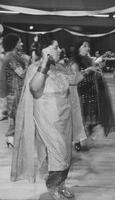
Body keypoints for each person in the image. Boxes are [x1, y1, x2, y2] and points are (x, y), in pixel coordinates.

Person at [11, 39, 86, 200]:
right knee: (57, 154)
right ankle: (53, 187)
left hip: (65, 118)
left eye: (59, 46)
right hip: (48, 119)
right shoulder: (35, 68)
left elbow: (74, 80)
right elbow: (35, 88)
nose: (59, 49)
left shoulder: (60, 67)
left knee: (66, 154)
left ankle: (61, 184)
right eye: (55, 47)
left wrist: (87, 68)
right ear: (44, 51)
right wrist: (45, 62)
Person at [70, 40, 115, 151]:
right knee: (79, 119)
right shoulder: (74, 61)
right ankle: (77, 141)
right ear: (78, 48)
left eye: (88, 46)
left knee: (92, 119)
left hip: (92, 92)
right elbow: (74, 78)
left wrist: (97, 70)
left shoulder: (89, 60)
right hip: (80, 94)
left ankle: (88, 135)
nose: (87, 48)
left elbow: (95, 72)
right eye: (84, 46)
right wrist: (88, 70)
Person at [2, 33, 29, 147]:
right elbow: (22, 74)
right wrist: (29, 65)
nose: (21, 44)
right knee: (14, 115)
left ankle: (12, 138)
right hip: (14, 92)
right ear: (14, 44)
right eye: (19, 42)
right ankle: (11, 138)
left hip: (17, 90)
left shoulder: (15, 55)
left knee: (16, 115)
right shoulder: (11, 57)